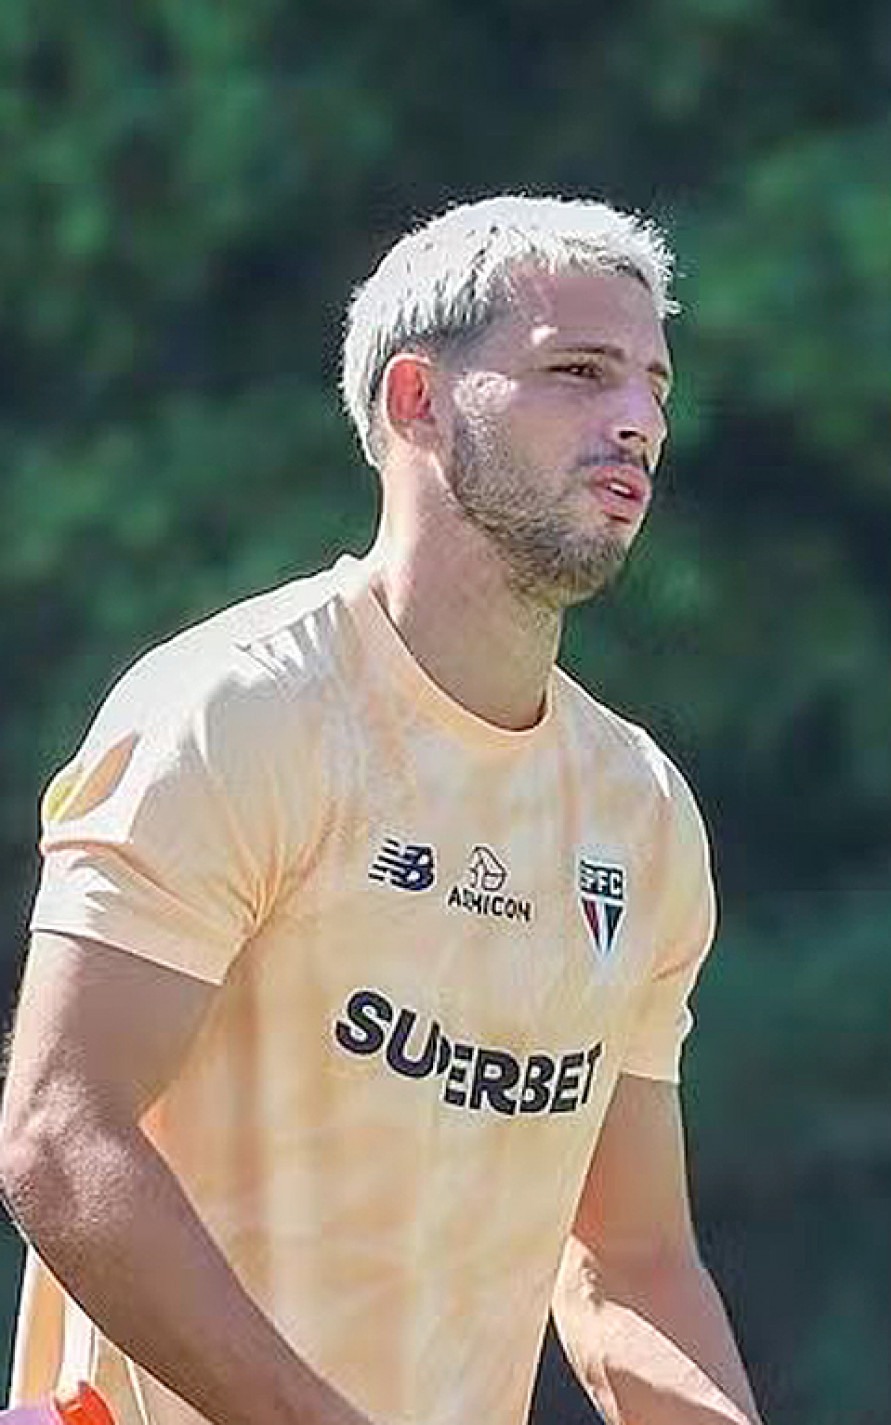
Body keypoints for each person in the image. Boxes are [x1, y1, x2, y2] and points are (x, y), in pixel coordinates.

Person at [0, 195, 764, 1425]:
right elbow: (57, 1133)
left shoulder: (643, 815)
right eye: (579, 372)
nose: (639, 422)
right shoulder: (239, 711)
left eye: (655, 389)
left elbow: (630, 1263)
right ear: (416, 400)